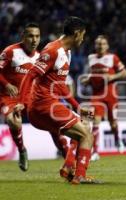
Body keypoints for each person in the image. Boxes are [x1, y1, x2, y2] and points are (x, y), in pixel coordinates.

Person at [15, 16, 101, 184]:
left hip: (47, 105)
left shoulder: (66, 53)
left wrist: (77, 107)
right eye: (83, 35)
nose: (83, 39)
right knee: (87, 136)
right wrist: (21, 102)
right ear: (76, 34)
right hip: (43, 105)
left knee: (84, 125)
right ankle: (80, 176)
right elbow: (31, 74)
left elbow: (60, 86)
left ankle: (69, 167)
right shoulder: (53, 50)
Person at [0, 23, 40, 171]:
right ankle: (22, 150)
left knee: (51, 118)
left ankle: (64, 150)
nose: (34, 40)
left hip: (30, 97)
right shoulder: (10, 51)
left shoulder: (39, 57)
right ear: (23, 37)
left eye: (37, 36)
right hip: (8, 96)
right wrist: (6, 84)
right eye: (30, 36)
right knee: (13, 121)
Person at [81, 35, 126, 161]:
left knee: (113, 123)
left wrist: (112, 77)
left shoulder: (112, 58)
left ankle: (118, 140)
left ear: (107, 46)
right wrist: (88, 80)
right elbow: (93, 75)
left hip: (111, 95)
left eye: (103, 44)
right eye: (98, 44)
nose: (100, 46)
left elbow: (124, 73)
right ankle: (95, 152)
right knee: (95, 121)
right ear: (95, 45)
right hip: (96, 95)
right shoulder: (91, 58)